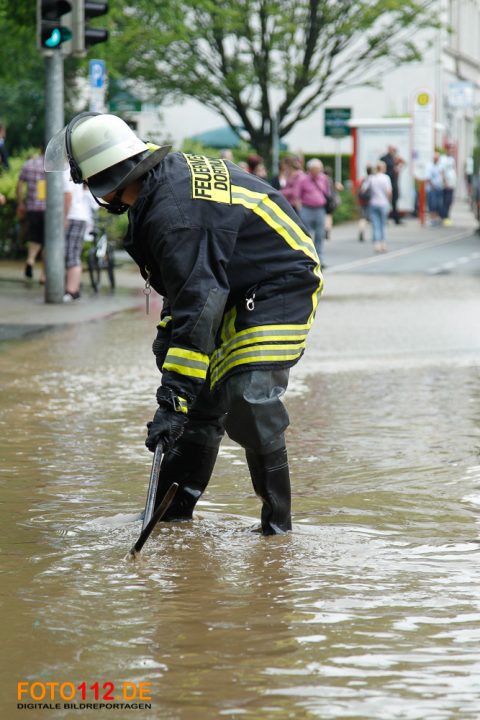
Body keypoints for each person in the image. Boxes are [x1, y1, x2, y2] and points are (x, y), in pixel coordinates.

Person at [45, 112, 323, 536]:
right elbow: (187, 289)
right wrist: (175, 368)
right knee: (200, 402)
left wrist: (171, 397)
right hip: (228, 282)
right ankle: (170, 520)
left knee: (248, 396)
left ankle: (277, 532)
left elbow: (200, 300)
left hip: (279, 281)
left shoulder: (173, 212)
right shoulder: (158, 192)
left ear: (106, 181)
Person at [16, 149, 46, 281]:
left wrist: (20, 203)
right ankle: (44, 275)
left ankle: (30, 260)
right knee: (47, 241)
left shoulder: (29, 164)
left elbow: (19, 185)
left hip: (33, 208)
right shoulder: (53, 165)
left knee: (34, 238)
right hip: (49, 210)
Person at [62, 173, 93, 301]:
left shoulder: (65, 172)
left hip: (73, 216)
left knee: (72, 254)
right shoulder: (72, 170)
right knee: (72, 253)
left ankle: (72, 290)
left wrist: (64, 217)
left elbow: (68, 195)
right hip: (78, 215)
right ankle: (73, 289)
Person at [296, 158, 330, 267]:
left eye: (319, 169)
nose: (318, 171)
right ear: (310, 169)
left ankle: (320, 258)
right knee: (307, 235)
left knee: (320, 235)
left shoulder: (324, 178)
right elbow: (297, 195)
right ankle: (308, 258)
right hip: (306, 208)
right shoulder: (303, 179)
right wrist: (300, 209)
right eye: (316, 169)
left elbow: (327, 192)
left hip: (320, 209)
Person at [368, 161, 392, 253]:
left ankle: (376, 244)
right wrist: (389, 201)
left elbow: (366, 190)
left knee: (375, 225)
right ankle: (383, 244)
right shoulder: (386, 178)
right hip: (383, 203)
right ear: (383, 168)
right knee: (382, 224)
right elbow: (389, 192)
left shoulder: (372, 178)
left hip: (373, 203)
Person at [380, 144, 404, 225]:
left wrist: (399, 166)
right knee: (386, 201)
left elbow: (404, 162)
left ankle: (396, 219)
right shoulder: (384, 158)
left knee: (394, 201)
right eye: (393, 149)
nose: (394, 151)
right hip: (387, 182)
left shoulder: (395, 158)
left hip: (394, 183)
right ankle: (384, 219)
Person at [323, 166, 343, 240]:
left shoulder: (321, 179)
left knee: (323, 215)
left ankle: (324, 228)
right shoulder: (331, 180)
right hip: (330, 200)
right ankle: (328, 229)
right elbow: (340, 187)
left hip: (322, 199)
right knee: (329, 216)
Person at [425, 151, 444, 226]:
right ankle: (432, 219)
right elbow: (428, 178)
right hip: (432, 189)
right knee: (432, 204)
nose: (436, 159)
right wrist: (433, 187)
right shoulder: (429, 166)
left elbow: (442, 174)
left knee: (438, 204)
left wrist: (444, 183)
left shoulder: (439, 165)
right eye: (435, 158)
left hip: (439, 187)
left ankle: (436, 218)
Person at [357, 164, 374, 242]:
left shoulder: (364, 179)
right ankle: (375, 235)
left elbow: (360, 190)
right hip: (370, 201)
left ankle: (361, 229)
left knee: (362, 217)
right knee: (369, 218)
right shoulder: (373, 179)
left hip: (362, 200)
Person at [440, 146, 457, 225]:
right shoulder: (443, 159)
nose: (451, 152)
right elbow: (442, 171)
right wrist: (445, 182)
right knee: (446, 201)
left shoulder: (452, 159)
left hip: (452, 184)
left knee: (449, 201)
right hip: (446, 184)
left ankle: (447, 216)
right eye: (450, 150)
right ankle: (444, 217)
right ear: (447, 150)